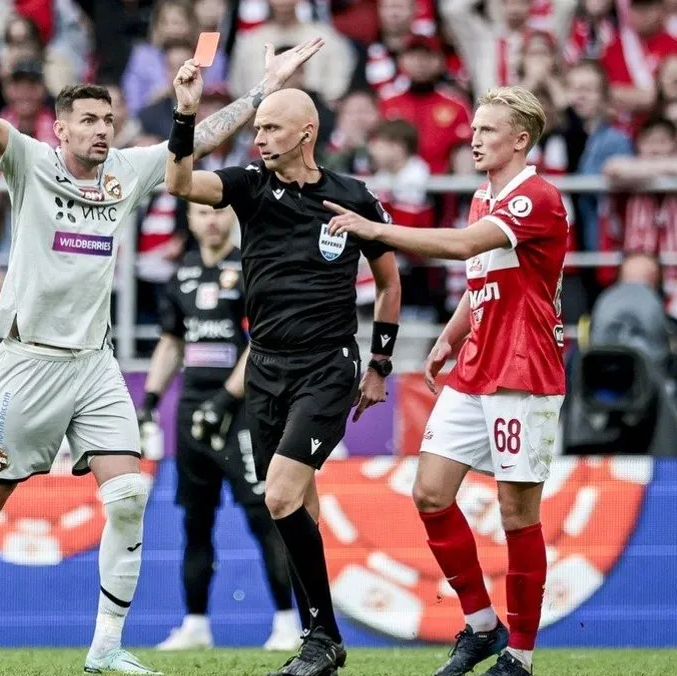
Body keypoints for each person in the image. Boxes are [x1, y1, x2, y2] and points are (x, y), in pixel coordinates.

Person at [0, 7, 324, 674]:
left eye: (108, 120)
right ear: (59, 128)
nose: (101, 129)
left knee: (128, 496)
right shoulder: (30, 162)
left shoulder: (126, 170)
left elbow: (198, 140)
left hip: (94, 363)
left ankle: (106, 646)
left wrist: (262, 90)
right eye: (88, 120)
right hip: (29, 360)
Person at [165, 65, 404, 676]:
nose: (260, 137)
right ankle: (320, 641)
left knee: (277, 496)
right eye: (258, 128)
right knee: (301, 509)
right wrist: (186, 113)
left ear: (306, 133)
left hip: (327, 368)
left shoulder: (353, 196)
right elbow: (178, 181)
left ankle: (321, 638)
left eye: (271, 127)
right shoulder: (249, 184)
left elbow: (388, 282)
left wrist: (380, 363)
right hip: (265, 370)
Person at [323, 86, 567, 676]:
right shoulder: (485, 196)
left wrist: (377, 230)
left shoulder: (536, 196)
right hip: (476, 365)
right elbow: (483, 274)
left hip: (523, 370)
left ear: (521, 139)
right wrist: (451, 336)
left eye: (487, 130)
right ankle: (482, 625)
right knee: (430, 492)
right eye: (474, 128)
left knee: (516, 514)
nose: (474, 139)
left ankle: (521, 656)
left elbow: (461, 248)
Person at [141, 201, 302, 652]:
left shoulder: (250, 267)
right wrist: (150, 400)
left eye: (217, 211)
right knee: (196, 520)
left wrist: (225, 399)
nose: (210, 220)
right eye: (200, 213)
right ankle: (195, 625)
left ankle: (287, 624)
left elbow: (263, 342)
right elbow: (172, 342)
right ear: (189, 220)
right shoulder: (181, 273)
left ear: (231, 215)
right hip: (193, 409)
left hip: (243, 410)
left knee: (264, 514)